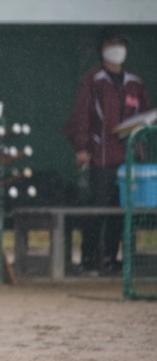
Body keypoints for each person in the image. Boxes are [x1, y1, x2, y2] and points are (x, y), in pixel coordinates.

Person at [63, 27, 151, 275]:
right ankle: (88, 260)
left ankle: (112, 259)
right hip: (101, 157)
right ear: (102, 49)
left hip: (129, 159)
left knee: (121, 210)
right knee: (99, 208)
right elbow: (81, 116)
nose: (118, 49)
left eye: (122, 44)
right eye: (113, 44)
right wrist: (82, 148)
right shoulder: (92, 81)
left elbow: (146, 115)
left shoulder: (135, 84)